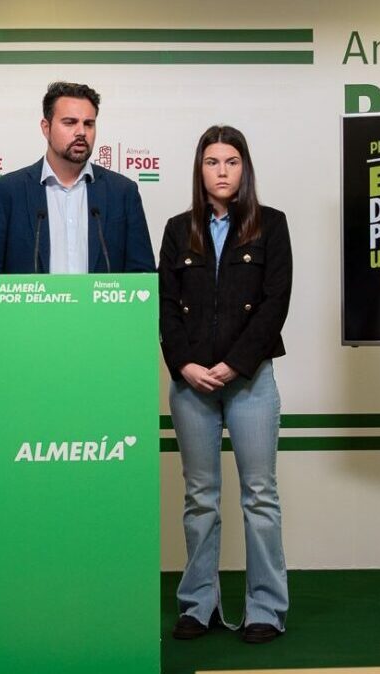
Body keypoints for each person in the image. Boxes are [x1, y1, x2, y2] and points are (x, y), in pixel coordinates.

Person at [0, 81, 155, 649]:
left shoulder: (120, 193)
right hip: (32, 369)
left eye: (89, 123)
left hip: (103, 368)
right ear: (46, 127)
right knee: (20, 485)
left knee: (99, 483)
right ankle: (0, 608)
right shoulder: (10, 192)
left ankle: (101, 598)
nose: (81, 133)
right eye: (70, 122)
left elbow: (142, 274)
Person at [158, 125, 293, 645]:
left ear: (245, 168)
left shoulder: (271, 225)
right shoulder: (177, 230)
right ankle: (199, 605)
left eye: (232, 161)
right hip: (191, 383)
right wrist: (184, 365)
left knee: (259, 496)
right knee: (200, 497)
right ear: (200, 169)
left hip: (250, 380)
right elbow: (165, 306)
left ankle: (266, 608)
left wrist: (234, 365)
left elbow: (275, 303)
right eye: (212, 162)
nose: (222, 171)